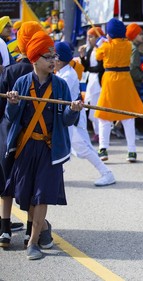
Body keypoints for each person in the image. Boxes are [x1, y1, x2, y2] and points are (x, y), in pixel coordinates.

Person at [0, 30, 82, 260]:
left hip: (49, 149)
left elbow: (65, 121)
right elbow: (11, 117)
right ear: (35, 58)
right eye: (47, 56)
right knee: (26, 196)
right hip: (26, 148)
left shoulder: (61, 86)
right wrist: (13, 103)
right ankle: (41, 230)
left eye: (54, 56)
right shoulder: (22, 83)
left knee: (41, 196)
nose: (53, 60)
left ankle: (33, 242)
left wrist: (72, 110)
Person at [0, 21, 44, 249]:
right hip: (36, 137)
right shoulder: (46, 72)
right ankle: (30, 233)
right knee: (32, 185)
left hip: (9, 134)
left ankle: (5, 229)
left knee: (6, 182)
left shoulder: (11, 71)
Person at [55, 42, 116, 186]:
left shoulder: (68, 76)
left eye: (52, 57)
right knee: (62, 144)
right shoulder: (62, 73)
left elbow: (59, 97)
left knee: (82, 147)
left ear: (59, 59)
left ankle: (107, 173)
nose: (51, 60)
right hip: (67, 115)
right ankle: (56, 173)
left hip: (73, 116)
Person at [94, 18, 143, 163]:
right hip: (125, 80)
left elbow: (98, 56)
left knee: (104, 116)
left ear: (109, 34)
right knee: (128, 117)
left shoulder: (106, 46)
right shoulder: (128, 45)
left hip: (110, 80)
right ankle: (132, 151)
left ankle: (103, 149)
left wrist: (101, 42)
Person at [79, 26, 105, 144]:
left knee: (99, 106)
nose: (89, 39)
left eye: (92, 36)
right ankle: (97, 132)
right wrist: (82, 56)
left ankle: (102, 133)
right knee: (91, 106)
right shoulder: (90, 50)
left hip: (99, 81)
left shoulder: (102, 49)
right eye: (88, 36)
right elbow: (86, 67)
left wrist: (89, 68)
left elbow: (100, 67)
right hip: (91, 81)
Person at [125, 22, 143, 141]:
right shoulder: (133, 49)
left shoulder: (129, 46)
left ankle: (117, 127)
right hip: (133, 83)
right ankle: (133, 131)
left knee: (128, 108)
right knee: (134, 108)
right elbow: (133, 67)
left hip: (127, 82)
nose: (142, 36)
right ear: (134, 35)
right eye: (140, 34)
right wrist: (141, 77)